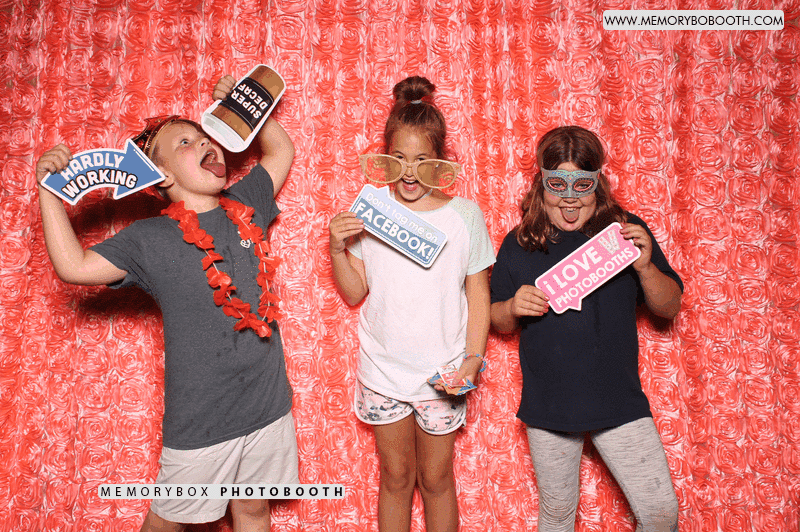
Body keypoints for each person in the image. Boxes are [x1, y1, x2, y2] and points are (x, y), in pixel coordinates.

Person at [35, 75, 298, 532]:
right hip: (202, 422)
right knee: (168, 521)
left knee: (254, 511)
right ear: (163, 175)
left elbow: (281, 152)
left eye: (204, 136)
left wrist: (244, 107)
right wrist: (48, 192)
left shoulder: (246, 203)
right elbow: (74, 266)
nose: (204, 142)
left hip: (268, 406)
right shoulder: (150, 238)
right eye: (185, 142)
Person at [490, 126, 682, 532]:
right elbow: (497, 319)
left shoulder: (625, 233)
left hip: (619, 400)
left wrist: (645, 266)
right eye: (557, 184)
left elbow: (668, 307)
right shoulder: (520, 243)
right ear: (541, 182)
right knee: (558, 516)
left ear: (598, 182)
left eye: (582, 184)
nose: (570, 197)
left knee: (660, 513)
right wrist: (511, 306)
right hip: (550, 405)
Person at [328, 76, 494, 532]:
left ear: (440, 161)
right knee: (396, 477)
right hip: (383, 371)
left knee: (437, 479)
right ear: (384, 156)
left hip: (443, 374)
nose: (408, 171)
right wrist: (337, 248)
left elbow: (478, 294)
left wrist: (473, 359)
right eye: (399, 157)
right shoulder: (371, 209)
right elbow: (354, 291)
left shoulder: (465, 216)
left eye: (421, 160)